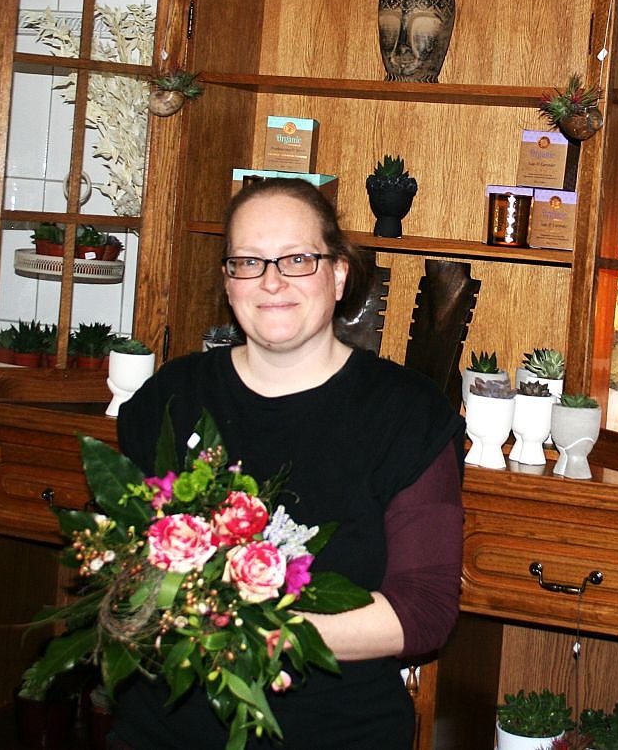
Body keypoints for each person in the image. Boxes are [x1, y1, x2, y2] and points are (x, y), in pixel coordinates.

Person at [109, 177, 465, 750]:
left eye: (297, 259)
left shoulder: (406, 413)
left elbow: (423, 611)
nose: (271, 281)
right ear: (228, 282)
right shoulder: (171, 397)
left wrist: (252, 629)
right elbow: (121, 558)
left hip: (336, 732)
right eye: (248, 262)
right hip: (163, 729)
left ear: (339, 274)